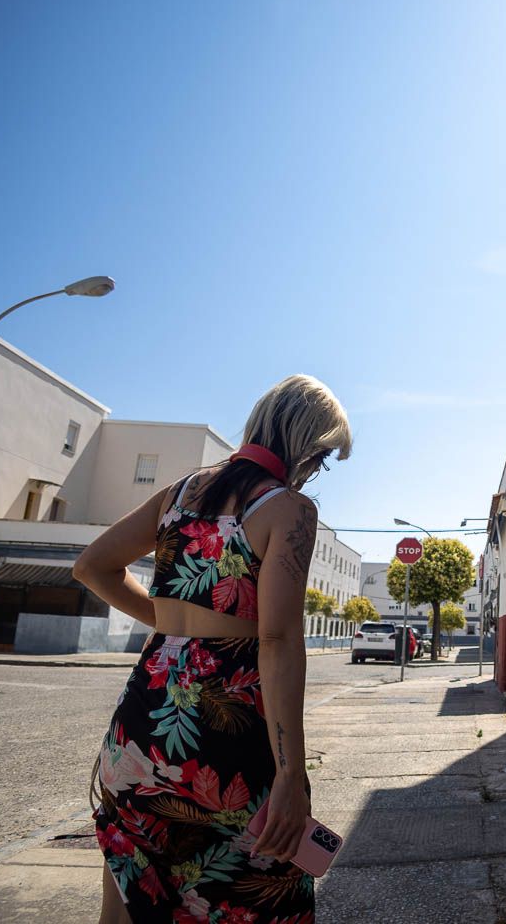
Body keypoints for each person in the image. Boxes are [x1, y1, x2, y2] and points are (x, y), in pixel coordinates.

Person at [74, 375, 351, 923]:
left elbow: (91, 566)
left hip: (137, 734)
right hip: (223, 743)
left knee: (132, 903)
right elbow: (276, 641)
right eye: (322, 457)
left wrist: (180, 628)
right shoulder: (287, 509)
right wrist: (292, 776)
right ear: (304, 444)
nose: (317, 471)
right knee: (264, 900)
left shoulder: (178, 492)